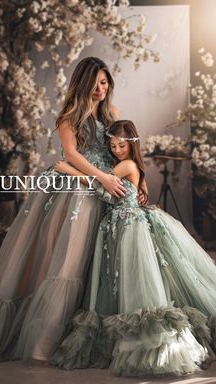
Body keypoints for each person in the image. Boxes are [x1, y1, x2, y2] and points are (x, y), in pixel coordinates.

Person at [0, 57, 148, 362]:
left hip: (106, 184)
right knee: (66, 255)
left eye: (104, 82)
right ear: (81, 83)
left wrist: (133, 178)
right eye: (94, 82)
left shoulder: (113, 114)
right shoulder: (69, 116)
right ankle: (45, 339)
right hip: (75, 185)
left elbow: (123, 150)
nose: (100, 89)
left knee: (100, 256)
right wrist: (102, 178)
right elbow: (71, 154)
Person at [53, 120, 216, 377]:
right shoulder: (124, 163)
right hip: (117, 226)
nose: (117, 149)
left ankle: (149, 341)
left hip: (129, 226)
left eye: (122, 145)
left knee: (137, 276)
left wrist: (67, 168)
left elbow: (100, 184)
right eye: (112, 145)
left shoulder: (127, 165)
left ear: (132, 144)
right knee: (118, 279)